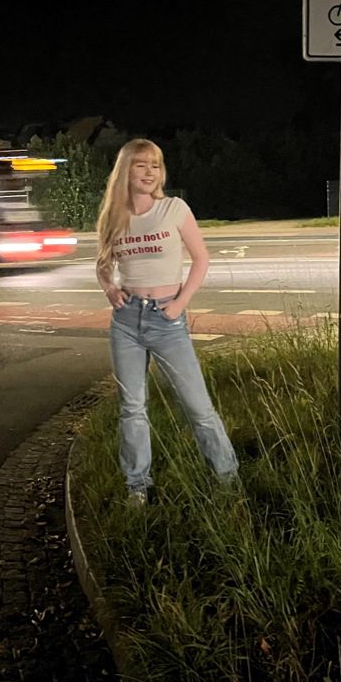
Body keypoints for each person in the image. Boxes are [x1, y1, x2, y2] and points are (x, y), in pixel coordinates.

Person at [96, 138, 239, 504]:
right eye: (141, 165)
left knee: (198, 406)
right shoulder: (114, 215)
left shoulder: (174, 209)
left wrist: (179, 305)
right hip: (126, 322)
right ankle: (137, 486)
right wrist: (111, 292)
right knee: (132, 408)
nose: (149, 172)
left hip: (167, 317)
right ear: (125, 171)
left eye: (155, 165)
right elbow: (103, 264)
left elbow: (201, 259)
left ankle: (227, 481)